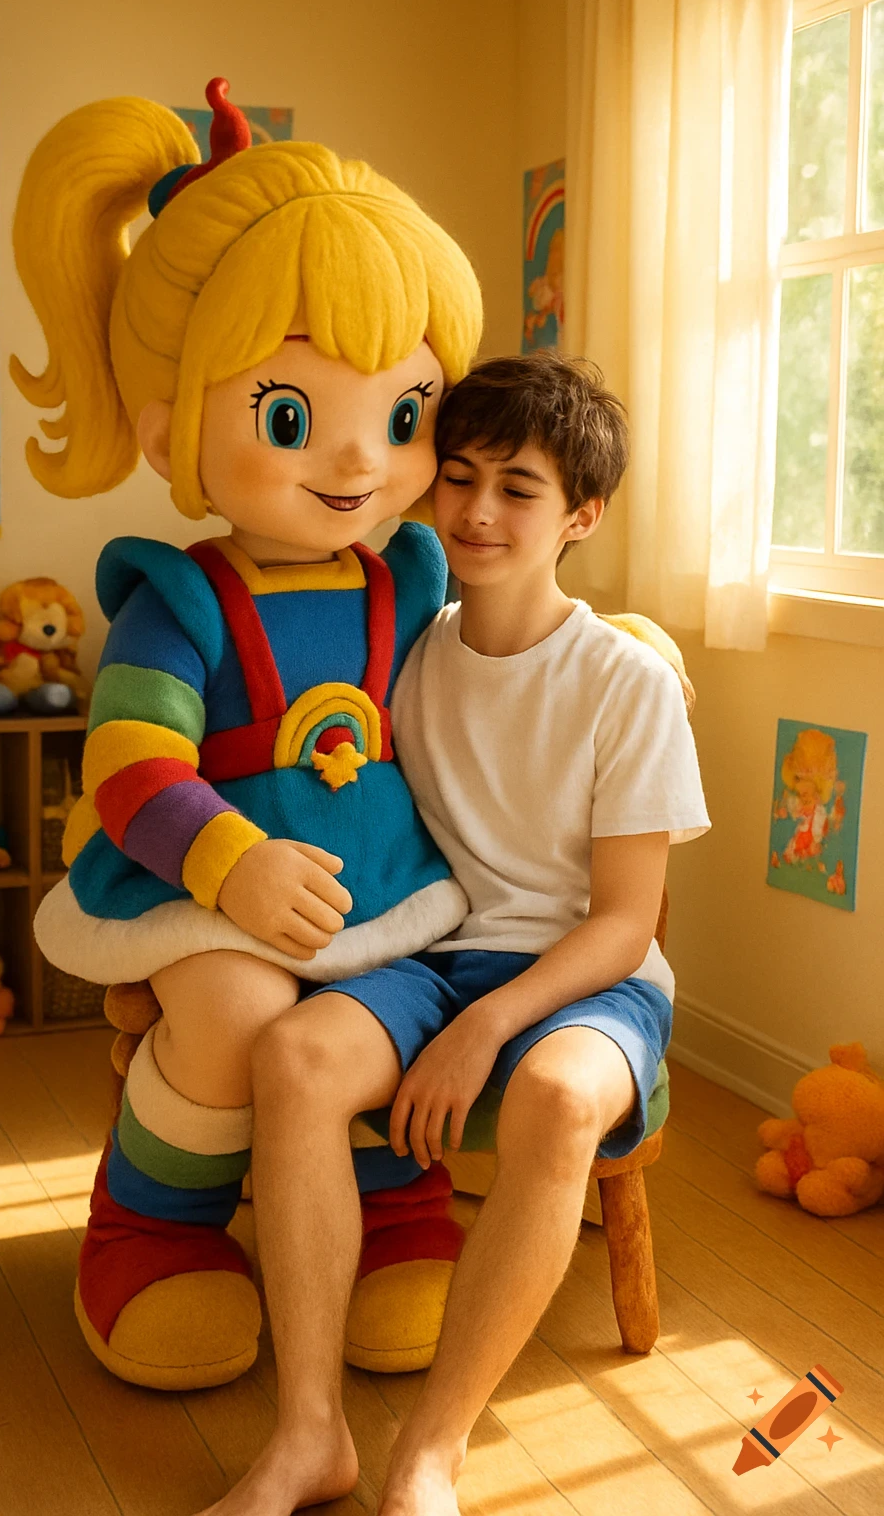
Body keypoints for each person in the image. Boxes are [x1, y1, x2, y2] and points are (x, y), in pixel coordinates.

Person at [12, 80, 484, 1391]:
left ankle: (388, 1212)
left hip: (383, 882)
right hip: (209, 886)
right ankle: (152, 1230)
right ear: (171, 425)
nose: (357, 462)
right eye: (291, 417)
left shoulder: (416, 576)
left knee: (378, 1014)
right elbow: (129, 764)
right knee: (235, 1012)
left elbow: (497, 679)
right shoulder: (180, 599)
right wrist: (231, 866)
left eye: (404, 415)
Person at [213, 352, 710, 1516]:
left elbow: (625, 921)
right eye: (461, 476)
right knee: (291, 1058)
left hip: (590, 980)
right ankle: (306, 1437)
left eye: (520, 487)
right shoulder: (404, 653)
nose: (479, 510)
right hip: (428, 954)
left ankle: (430, 1450)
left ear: (580, 513)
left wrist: (490, 1023)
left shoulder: (624, 681)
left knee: (550, 1097)